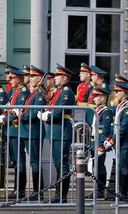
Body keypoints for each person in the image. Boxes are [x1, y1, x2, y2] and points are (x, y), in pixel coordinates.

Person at [40, 63, 75, 203]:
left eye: (58, 76)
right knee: (58, 164)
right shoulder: (59, 91)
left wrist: (48, 116)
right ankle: (58, 194)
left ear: (65, 78)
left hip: (62, 131)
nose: (55, 79)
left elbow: (61, 110)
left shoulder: (66, 92)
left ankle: (62, 195)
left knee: (62, 164)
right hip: (55, 131)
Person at [0, 67, 30, 199]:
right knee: (16, 160)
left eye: (11, 78)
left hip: (17, 129)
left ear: (17, 79)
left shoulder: (23, 92)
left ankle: (20, 190)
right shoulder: (15, 91)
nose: (9, 81)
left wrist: (6, 118)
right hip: (11, 129)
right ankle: (16, 189)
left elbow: (18, 111)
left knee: (19, 160)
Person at [17, 65, 47, 201]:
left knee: (35, 162)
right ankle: (36, 191)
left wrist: (22, 116)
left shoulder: (39, 94)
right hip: (27, 131)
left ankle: (38, 191)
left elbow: (35, 113)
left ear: (39, 79)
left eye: (33, 76)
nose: (30, 79)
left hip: (33, 131)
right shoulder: (33, 93)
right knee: (33, 162)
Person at [104, 81, 128, 199]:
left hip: (125, 141)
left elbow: (123, 127)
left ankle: (125, 192)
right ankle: (121, 190)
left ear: (124, 92)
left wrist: (113, 140)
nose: (115, 94)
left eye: (117, 91)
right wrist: (111, 138)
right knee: (121, 166)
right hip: (120, 141)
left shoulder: (127, 106)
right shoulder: (121, 106)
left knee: (124, 167)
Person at [85, 87, 113, 199]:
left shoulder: (106, 111)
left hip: (99, 143)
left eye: (96, 96)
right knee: (95, 167)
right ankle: (97, 190)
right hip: (94, 142)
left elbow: (105, 130)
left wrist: (101, 145)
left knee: (99, 167)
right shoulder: (97, 110)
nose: (94, 99)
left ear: (103, 98)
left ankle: (100, 190)